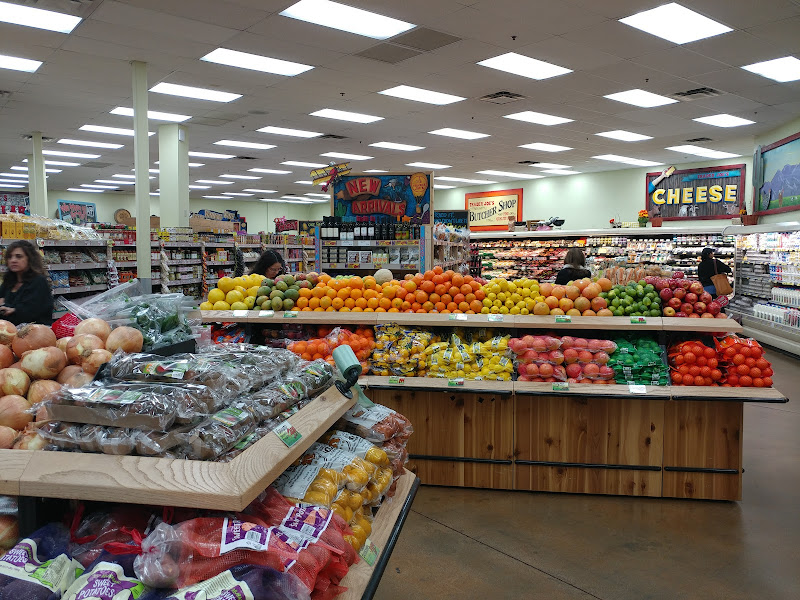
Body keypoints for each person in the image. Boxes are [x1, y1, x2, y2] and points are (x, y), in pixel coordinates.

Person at [0, 240, 54, 325]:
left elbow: (32, 312)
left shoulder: (39, 281)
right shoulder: (8, 282)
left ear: (30, 259)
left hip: (34, 333)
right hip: (9, 332)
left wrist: (11, 309)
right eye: (10, 257)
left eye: (19, 256)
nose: (13, 260)